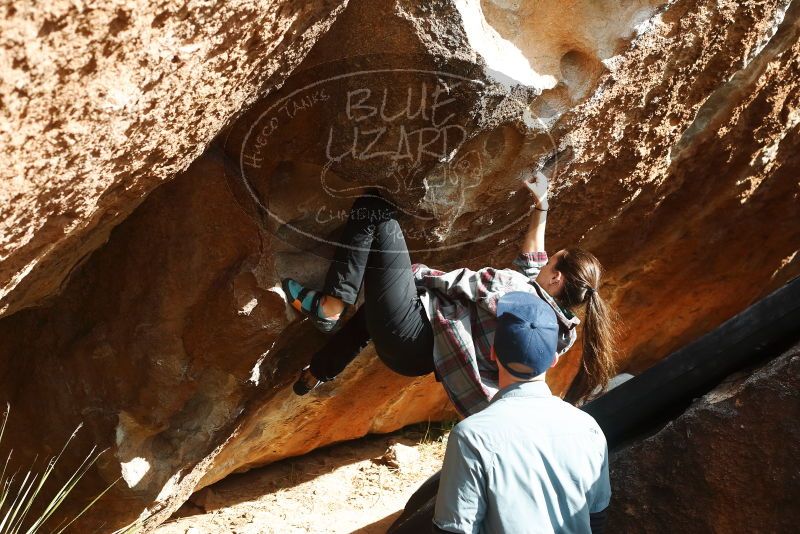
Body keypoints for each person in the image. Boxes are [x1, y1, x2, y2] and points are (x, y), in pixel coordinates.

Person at [281, 173, 617, 414]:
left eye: (551, 264)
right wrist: (541, 206)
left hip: (411, 332)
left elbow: (448, 282)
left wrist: (414, 271)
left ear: (556, 278)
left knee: (375, 211)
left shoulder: (510, 289)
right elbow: (534, 266)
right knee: (375, 311)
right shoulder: (557, 332)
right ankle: (317, 373)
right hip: (419, 360)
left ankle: (331, 303)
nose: (543, 264)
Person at [431, 290, 611, 533]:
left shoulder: (471, 437)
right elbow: (596, 519)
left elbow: (452, 530)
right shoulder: (589, 429)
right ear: (553, 360)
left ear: (493, 353)